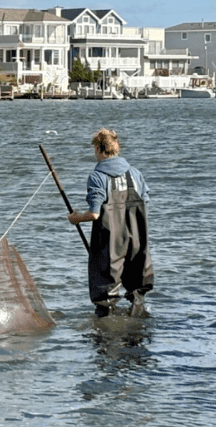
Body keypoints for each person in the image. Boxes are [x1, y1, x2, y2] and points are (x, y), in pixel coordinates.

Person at [67, 128, 153, 317]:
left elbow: (95, 214)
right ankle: (137, 333)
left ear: (99, 149)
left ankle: (106, 333)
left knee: (105, 295)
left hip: (110, 241)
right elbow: (145, 203)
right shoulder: (136, 174)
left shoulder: (97, 177)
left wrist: (77, 218)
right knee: (137, 291)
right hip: (137, 240)